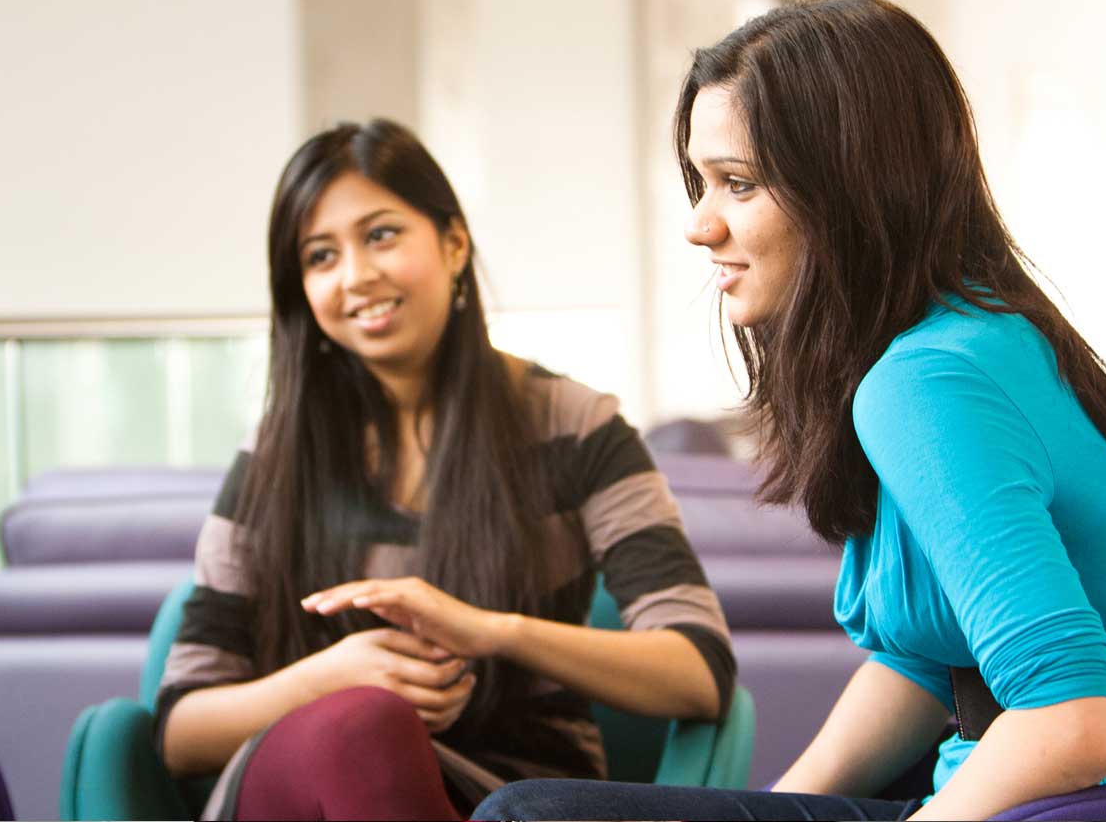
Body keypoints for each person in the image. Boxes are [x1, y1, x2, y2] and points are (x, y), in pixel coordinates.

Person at [475, 0, 1106, 821]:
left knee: (529, 817)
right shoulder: (985, 333)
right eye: (700, 183)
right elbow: (922, 663)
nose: (699, 226)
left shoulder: (925, 383)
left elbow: (1072, 720)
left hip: (1097, 810)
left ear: (850, 188)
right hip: (1079, 798)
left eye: (738, 184)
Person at [154, 119, 736, 820]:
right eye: (319, 256)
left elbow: (698, 671)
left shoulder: (576, 425)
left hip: (510, 802)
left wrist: (493, 631)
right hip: (301, 789)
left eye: (381, 235)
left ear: (454, 243)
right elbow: (181, 729)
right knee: (363, 727)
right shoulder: (273, 460)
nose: (356, 276)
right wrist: (332, 682)